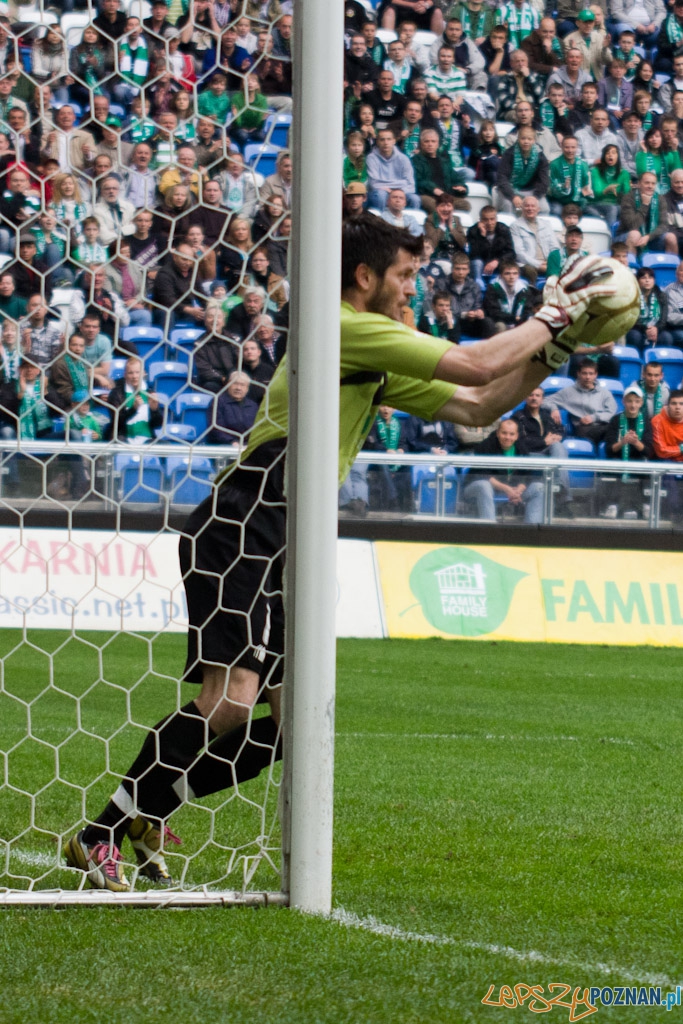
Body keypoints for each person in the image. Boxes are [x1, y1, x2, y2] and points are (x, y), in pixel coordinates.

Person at [63, 217, 619, 891]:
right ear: (365, 278)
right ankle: (99, 837)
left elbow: (478, 408)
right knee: (229, 704)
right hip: (245, 518)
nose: (413, 289)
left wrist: (554, 351)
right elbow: (477, 364)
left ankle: (149, 810)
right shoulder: (341, 325)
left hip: (289, 533)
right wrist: (552, 315)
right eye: (405, 276)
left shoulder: (368, 354)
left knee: (289, 726)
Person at [463, 418, 545, 522]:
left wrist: (518, 490)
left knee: (539, 488)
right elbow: (483, 475)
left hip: (511, 491)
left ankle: (532, 531)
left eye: (511, 434)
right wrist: (507, 489)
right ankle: (489, 531)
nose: (508, 437)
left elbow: (527, 474)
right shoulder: (485, 446)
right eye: (504, 433)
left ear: (517, 436)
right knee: (484, 485)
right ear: (497, 433)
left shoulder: (521, 447)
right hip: (477, 489)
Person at [601, 382, 653, 519]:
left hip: (638, 460)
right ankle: (612, 504)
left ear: (641, 403)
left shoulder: (646, 421)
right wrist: (623, 442)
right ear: (624, 402)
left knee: (646, 466)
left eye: (636, 401)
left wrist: (636, 442)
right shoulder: (616, 420)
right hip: (618, 459)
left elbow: (647, 451)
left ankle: (645, 505)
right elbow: (609, 449)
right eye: (629, 401)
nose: (633, 405)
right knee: (615, 466)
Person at [544, 358, 618, 444]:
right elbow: (544, 401)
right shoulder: (568, 392)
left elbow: (612, 412)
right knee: (614, 432)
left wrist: (594, 417)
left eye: (591, 374)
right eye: (584, 373)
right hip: (584, 428)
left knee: (615, 430)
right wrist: (553, 408)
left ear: (596, 375)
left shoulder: (605, 393)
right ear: (578, 374)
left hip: (603, 426)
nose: (587, 377)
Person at [103, 356, 163, 443]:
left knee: (166, 446)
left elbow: (157, 425)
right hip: (124, 439)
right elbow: (116, 422)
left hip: (147, 440)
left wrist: (154, 411)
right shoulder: (116, 394)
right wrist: (133, 409)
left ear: (143, 373)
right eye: (130, 373)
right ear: (125, 375)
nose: (134, 376)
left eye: (137, 372)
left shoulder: (150, 393)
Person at [495, 128, 550, 214]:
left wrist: (535, 197)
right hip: (510, 189)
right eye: (523, 138)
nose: (526, 142)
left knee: (544, 208)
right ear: (518, 139)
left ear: (534, 140)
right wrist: (513, 196)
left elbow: (544, 180)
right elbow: (502, 178)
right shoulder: (509, 154)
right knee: (508, 205)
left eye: (529, 139)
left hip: (532, 190)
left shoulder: (540, 156)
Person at [366, 127, 420, 211]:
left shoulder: (403, 159)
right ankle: (379, 223)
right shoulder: (371, 158)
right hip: (381, 192)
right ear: (377, 142)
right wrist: (398, 186)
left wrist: (395, 192)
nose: (386, 143)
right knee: (380, 195)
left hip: (400, 192)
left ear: (394, 141)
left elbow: (411, 185)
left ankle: (410, 223)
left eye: (389, 139)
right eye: (382, 140)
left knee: (415, 199)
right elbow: (373, 184)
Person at [446, 252, 497, 338]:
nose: (460, 272)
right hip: (449, 322)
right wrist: (464, 314)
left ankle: (488, 348)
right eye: (457, 269)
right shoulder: (442, 284)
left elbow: (478, 305)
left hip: (470, 322)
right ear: (452, 269)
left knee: (488, 322)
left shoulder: (474, 286)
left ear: (468, 270)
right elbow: (442, 308)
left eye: (464, 269)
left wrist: (478, 312)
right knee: (453, 322)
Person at [510, 195, 558, 284]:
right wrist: (538, 264)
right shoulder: (515, 226)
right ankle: (533, 294)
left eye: (533, 206)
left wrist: (550, 262)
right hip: (527, 264)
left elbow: (555, 247)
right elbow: (519, 252)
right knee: (530, 271)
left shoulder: (546, 224)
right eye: (527, 206)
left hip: (546, 262)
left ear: (538, 209)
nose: (530, 208)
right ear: (522, 208)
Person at [651, 389, 683, 523]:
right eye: (674, 404)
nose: (677, 407)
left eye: (681, 404)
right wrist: (681, 449)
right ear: (668, 405)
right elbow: (661, 451)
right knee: (667, 472)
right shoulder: (657, 421)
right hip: (667, 463)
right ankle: (674, 514)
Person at [466, 205, 516, 286]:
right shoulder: (473, 231)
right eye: (485, 219)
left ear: (496, 219)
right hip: (481, 264)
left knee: (508, 264)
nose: (489, 223)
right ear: (480, 220)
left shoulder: (504, 230)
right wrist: (482, 237)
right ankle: (478, 284)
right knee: (477, 262)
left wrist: (497, 261)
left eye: (492, 219)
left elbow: (511, 252)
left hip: (499, 263)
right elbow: (474, 254)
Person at [208, 370, 259, 444]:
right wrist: (232, 442)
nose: (238, 388)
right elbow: (216, 429)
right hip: (225, 445)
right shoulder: (218, 402)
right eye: (235, 383)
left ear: (247, 388)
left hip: (249, 445)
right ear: (228, 384)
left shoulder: (253, 405)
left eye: (242, 385)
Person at [626, 267, 670, 351]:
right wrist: (645, 329)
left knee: (666, 337)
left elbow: (663, 318)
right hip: (638, 329)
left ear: (654, 280)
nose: (647, 280)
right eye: (643, 278)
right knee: (635, 336)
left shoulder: (661, 295)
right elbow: (631, 319)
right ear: (638, 281)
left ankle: (660, 362)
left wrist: (656, 329)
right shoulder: (632, 296)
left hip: (656, 328)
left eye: (650, 278)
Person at [482, 261, 534, 332]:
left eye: (515, 273)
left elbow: (528, 308)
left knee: (531, 323)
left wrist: (521, 318)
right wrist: (513, 318)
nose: (511, 277)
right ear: (501, 275)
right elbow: (493, 311)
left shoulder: (524, 289)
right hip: (500, 320)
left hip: (519, 319)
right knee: (500, 327)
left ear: (518, 275)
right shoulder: (493, 288)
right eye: (507, 274)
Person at [587, 143, 631, 226]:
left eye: (613, 153)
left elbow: (627, 195)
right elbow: (597, 193)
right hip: (597, 204)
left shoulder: (624, 173)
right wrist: (607, 189)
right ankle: (610, 235)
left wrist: (627, 187)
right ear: (603, 156)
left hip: (615, 204)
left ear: (618, 156)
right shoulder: (596, 171)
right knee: (611, 209)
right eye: (607, 153)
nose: (610, 155)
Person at [548, 135, 593, 215]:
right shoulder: (554, 165)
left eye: (573, 147)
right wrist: (562, 187)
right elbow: (550, 190)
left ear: (577, 148)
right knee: (556, 211)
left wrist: (587, 190)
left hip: (577, 201)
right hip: (559, 201)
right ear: (561, 147)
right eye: (567, 147)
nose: (570, 150)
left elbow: (586, 187)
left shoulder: (583, 165)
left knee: (592, 213)